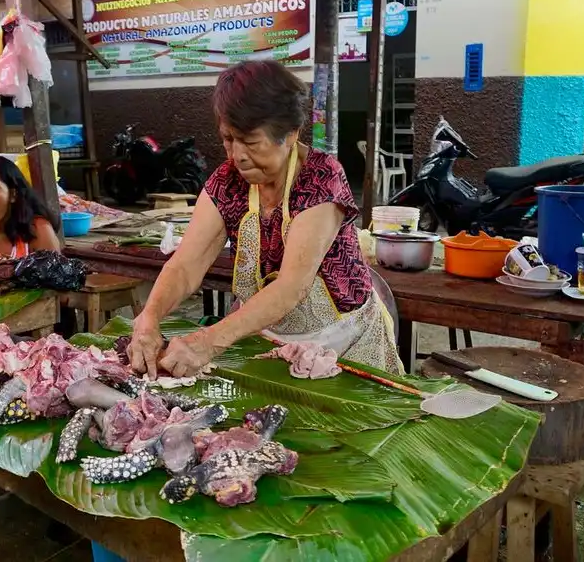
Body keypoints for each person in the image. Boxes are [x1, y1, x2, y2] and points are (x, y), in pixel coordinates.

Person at [127, 60, 402, 380]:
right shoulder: (227, 182)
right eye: (228, 139)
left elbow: (291, 288)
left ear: (291, 134)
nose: (237, 155)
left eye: (251, 142)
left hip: (344, 344)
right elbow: (185, 266)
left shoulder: (321, 178)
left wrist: (206, 342)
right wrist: (149, 317)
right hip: (265, 340)